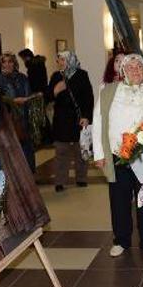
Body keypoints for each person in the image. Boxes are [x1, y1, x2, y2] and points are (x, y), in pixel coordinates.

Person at [92, 54, 143, 258]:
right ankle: (121, 240)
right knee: (119, 200)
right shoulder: (108, 91)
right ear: (122, 72)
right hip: (118, 154)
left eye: (139, 67)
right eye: (130, 68)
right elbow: (99, 122)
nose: (135, 71)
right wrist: (99, 154)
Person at [45, 50, 94, 192]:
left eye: (61, 59)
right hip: (61, 119)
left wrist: (86, 116)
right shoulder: (56, 76)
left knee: (80, 150)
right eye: (58, 59)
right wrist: (55, 90)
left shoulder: (81, 75)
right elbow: (48, 97)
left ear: (69, 60)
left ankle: (81, 178)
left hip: (79, 119)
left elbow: (88, 98)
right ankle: (60, 181)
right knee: (61, 151)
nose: (59, 62)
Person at [0, 52, 41, 172]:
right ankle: (19, 177)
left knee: (27, 148)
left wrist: (31, 98)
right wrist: (12, 101)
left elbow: (28, 94)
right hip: (9, 119)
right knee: (12, 149)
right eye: (4, 62)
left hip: (24, 117)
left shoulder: (22, 78)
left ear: (14, 63)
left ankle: (30, 176)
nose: (7, 64)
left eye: (10, 61)